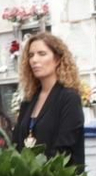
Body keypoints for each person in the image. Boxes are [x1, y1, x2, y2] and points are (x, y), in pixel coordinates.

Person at [11, 31, 85, 166]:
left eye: (42, 54)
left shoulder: (69, 98)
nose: (34, 60)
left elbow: (64, 149)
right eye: (31, 55)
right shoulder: (28, 101)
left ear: (57, 59)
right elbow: (16, 143)